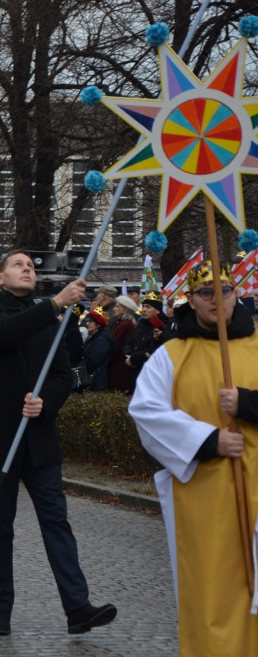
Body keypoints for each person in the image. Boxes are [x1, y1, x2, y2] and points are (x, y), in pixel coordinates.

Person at [0, 250, 116, 637]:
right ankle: (1, 606)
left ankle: (77, 607)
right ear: (0, 278)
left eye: (31, 266)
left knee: (56, 522)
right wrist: (54, 303)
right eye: (18, 265)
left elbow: (64, 374)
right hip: (0, 439)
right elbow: (3, 335)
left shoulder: (51, 321)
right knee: (0, 527)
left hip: (40, 440)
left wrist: (45, 401)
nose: (28, 268)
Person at [129, 260, 258, 655]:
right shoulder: (171, 355)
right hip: (204, 493)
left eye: (225, 290)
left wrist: (249, 403)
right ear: (191, 299)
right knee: (211, 587)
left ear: (238, 294)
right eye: (206, 292)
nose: (217, 300)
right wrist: (208, 441)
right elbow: (146, 411)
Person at [124, 291, 168, 392]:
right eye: (143, 306)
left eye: (148, 307)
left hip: (149, 373)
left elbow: (154, 350)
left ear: (157, 310)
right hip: (133, 370)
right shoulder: (141, 324)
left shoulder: (162, 326)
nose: (143, 310)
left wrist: (133, 359)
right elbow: (129, 342)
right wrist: (127, 355)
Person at [107, 295, 137, 394]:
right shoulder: (120, 323)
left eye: (117, 306)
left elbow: (117, 346)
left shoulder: (125, 325)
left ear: (124, 309)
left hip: (119, 366)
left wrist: (106, 359)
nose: (114, 309)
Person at [80, 309, 115, 392]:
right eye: (87, 321)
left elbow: (94, 361)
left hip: (95, 380)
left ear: (98, 324)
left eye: (90, 322)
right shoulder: (94, 337)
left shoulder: (101, 341)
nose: (87, 324)